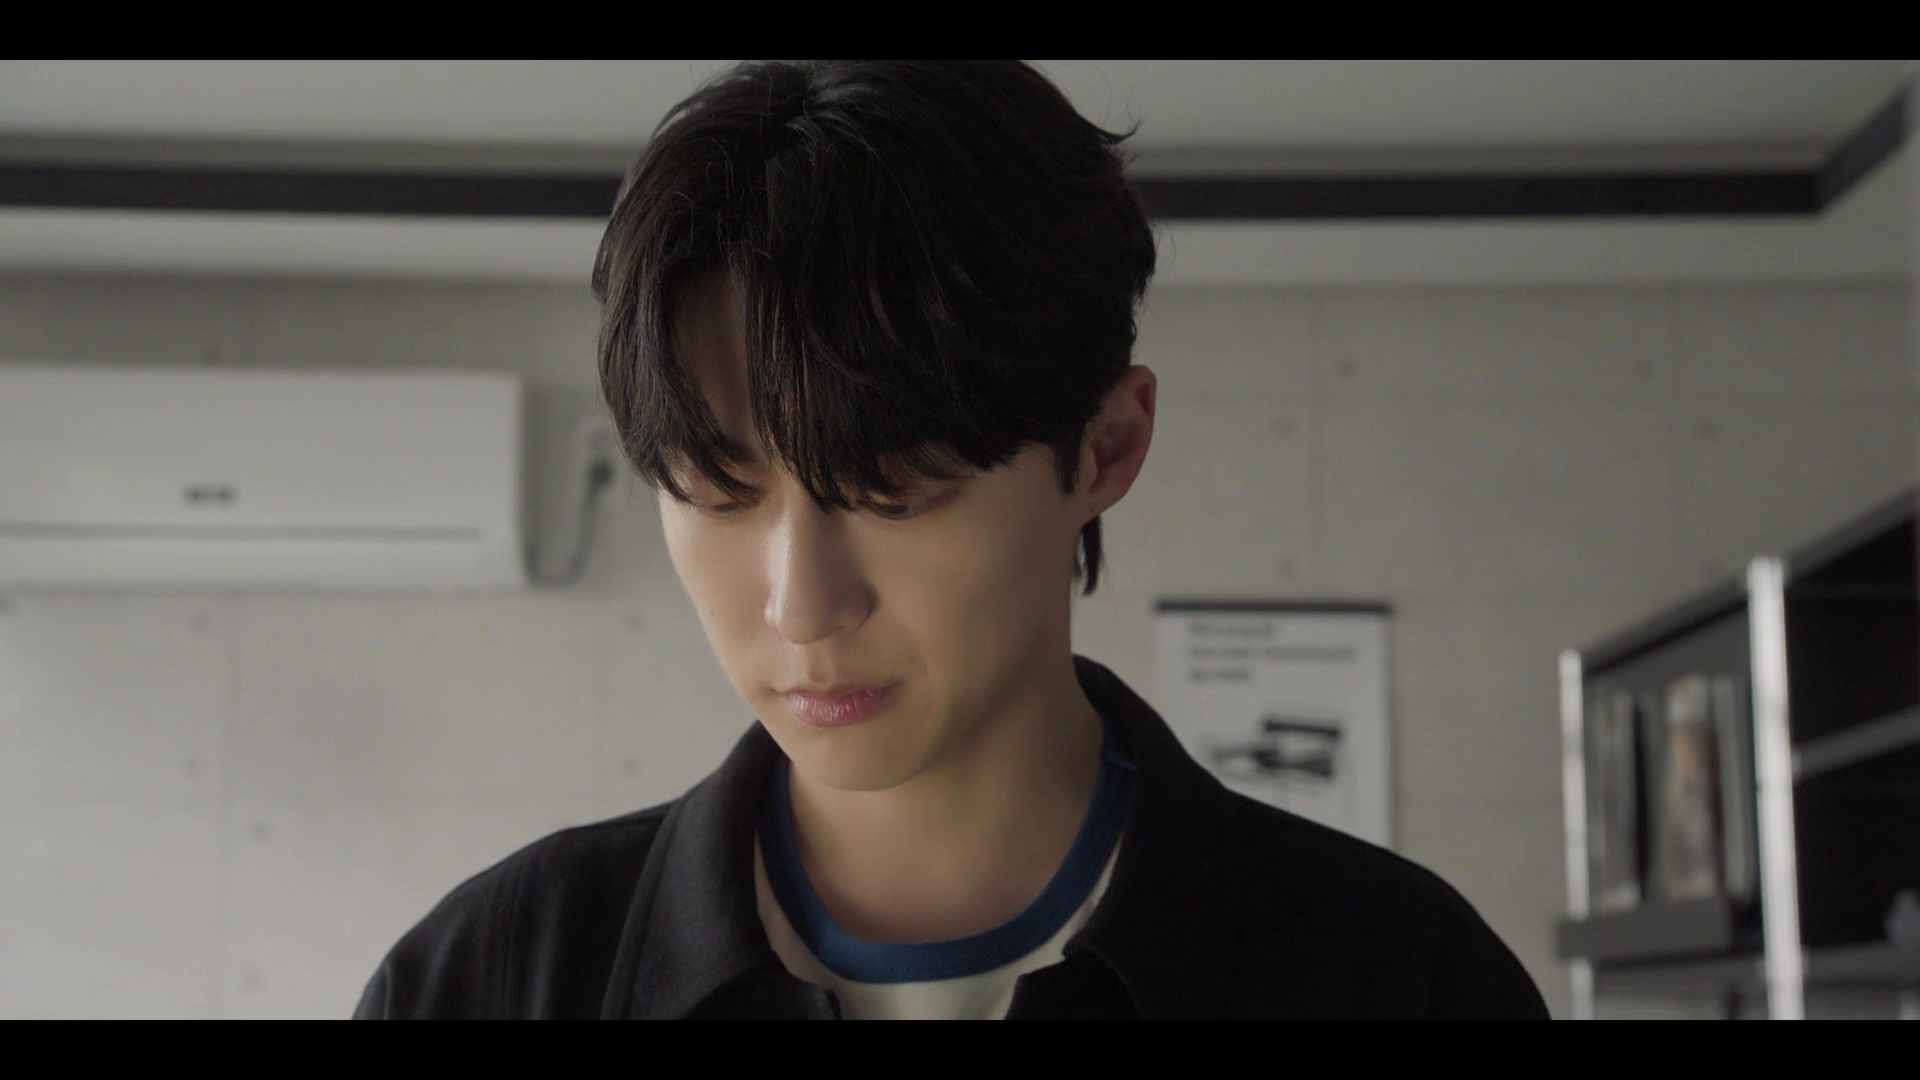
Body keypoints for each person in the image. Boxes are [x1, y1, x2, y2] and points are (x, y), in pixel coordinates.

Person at [353, 59, 1549, 1020]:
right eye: (717, 489)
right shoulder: (491, 978)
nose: (802, 604)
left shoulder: (1397, 977)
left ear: (1105, 449)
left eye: (891, 490)